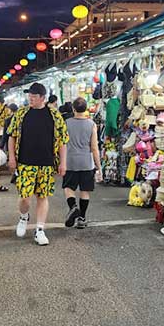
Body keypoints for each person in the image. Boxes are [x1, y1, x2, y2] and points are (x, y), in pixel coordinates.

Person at [8, 82, 68, 245]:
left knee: (43, 196)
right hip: (25, 163)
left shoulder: (55, 115)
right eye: (29, 96)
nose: (31, 99)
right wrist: (12, 157)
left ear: (43, 98)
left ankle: (40, 229)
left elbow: (62, 141)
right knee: (24, 197)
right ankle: (23, 216)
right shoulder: (21, 113)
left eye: (34, 97)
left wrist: (63, 162)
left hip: (47, 163)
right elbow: (11, 136)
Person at [63, 97, 102, 229]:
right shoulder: (91, 124)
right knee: (85, 191)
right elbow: (94, 148)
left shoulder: (66, 123)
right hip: (87, 162)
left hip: (70, 161)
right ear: (85, 109)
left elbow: (60, 144)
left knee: (69, 188)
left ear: (73, 109)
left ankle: (73, 207)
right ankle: (82, 218)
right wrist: (99, 166)